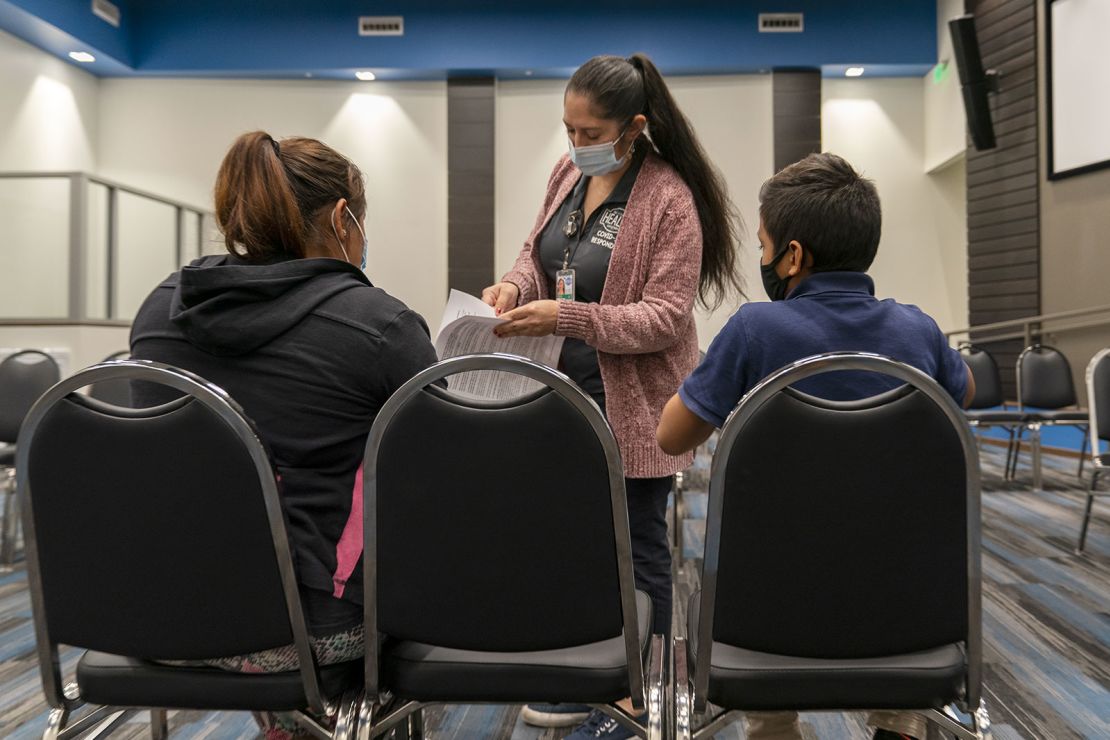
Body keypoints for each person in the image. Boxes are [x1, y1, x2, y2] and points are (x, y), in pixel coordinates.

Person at [130, 131, 438, 740]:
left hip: (162, 611)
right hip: (315, 630)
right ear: (342, 218)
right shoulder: (381, 327)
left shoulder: (160, 311)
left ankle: (288, 726)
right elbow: (437, 478)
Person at [656, 152, 975, 740]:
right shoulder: (918, 330)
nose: (762, 259)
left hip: (771, 615)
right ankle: (900, 718)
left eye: (762, 245)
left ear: (793, 256)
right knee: (891, 537)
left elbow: (670, 435)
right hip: (909, 610)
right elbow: (965, 391)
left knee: (755, 560)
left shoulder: (753, 330)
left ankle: (773, 726)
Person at [481, 53, 742, 738]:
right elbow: (533, 257)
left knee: (637, 546)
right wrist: (514, 288)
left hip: (636, 402)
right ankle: (592, 674)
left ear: (633, 128)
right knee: (574, 539)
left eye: (588, 131)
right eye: (568, 128)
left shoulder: (669, 198)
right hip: (562, 392)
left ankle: (642, 690)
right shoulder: (567, 174)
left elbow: (664, 317)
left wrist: (566, 318)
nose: (574, 143)